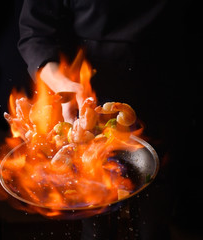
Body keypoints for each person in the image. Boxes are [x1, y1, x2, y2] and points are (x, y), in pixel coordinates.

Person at [18, 0, 185, 239]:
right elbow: (35, 30)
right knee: (96, 229)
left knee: (154, 226)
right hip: (90, 101)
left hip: (164, 99)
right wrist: (64, 87)